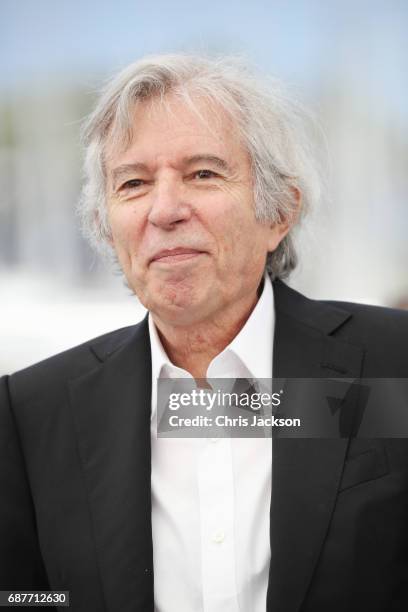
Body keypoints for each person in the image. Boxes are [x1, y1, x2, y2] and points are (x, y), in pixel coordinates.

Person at [1, 54, 407, 612]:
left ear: (279, 212)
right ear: (105, 224)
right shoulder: (32, 413)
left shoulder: (393, 364)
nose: (164, 210)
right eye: (134, 182)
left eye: (203, 173)